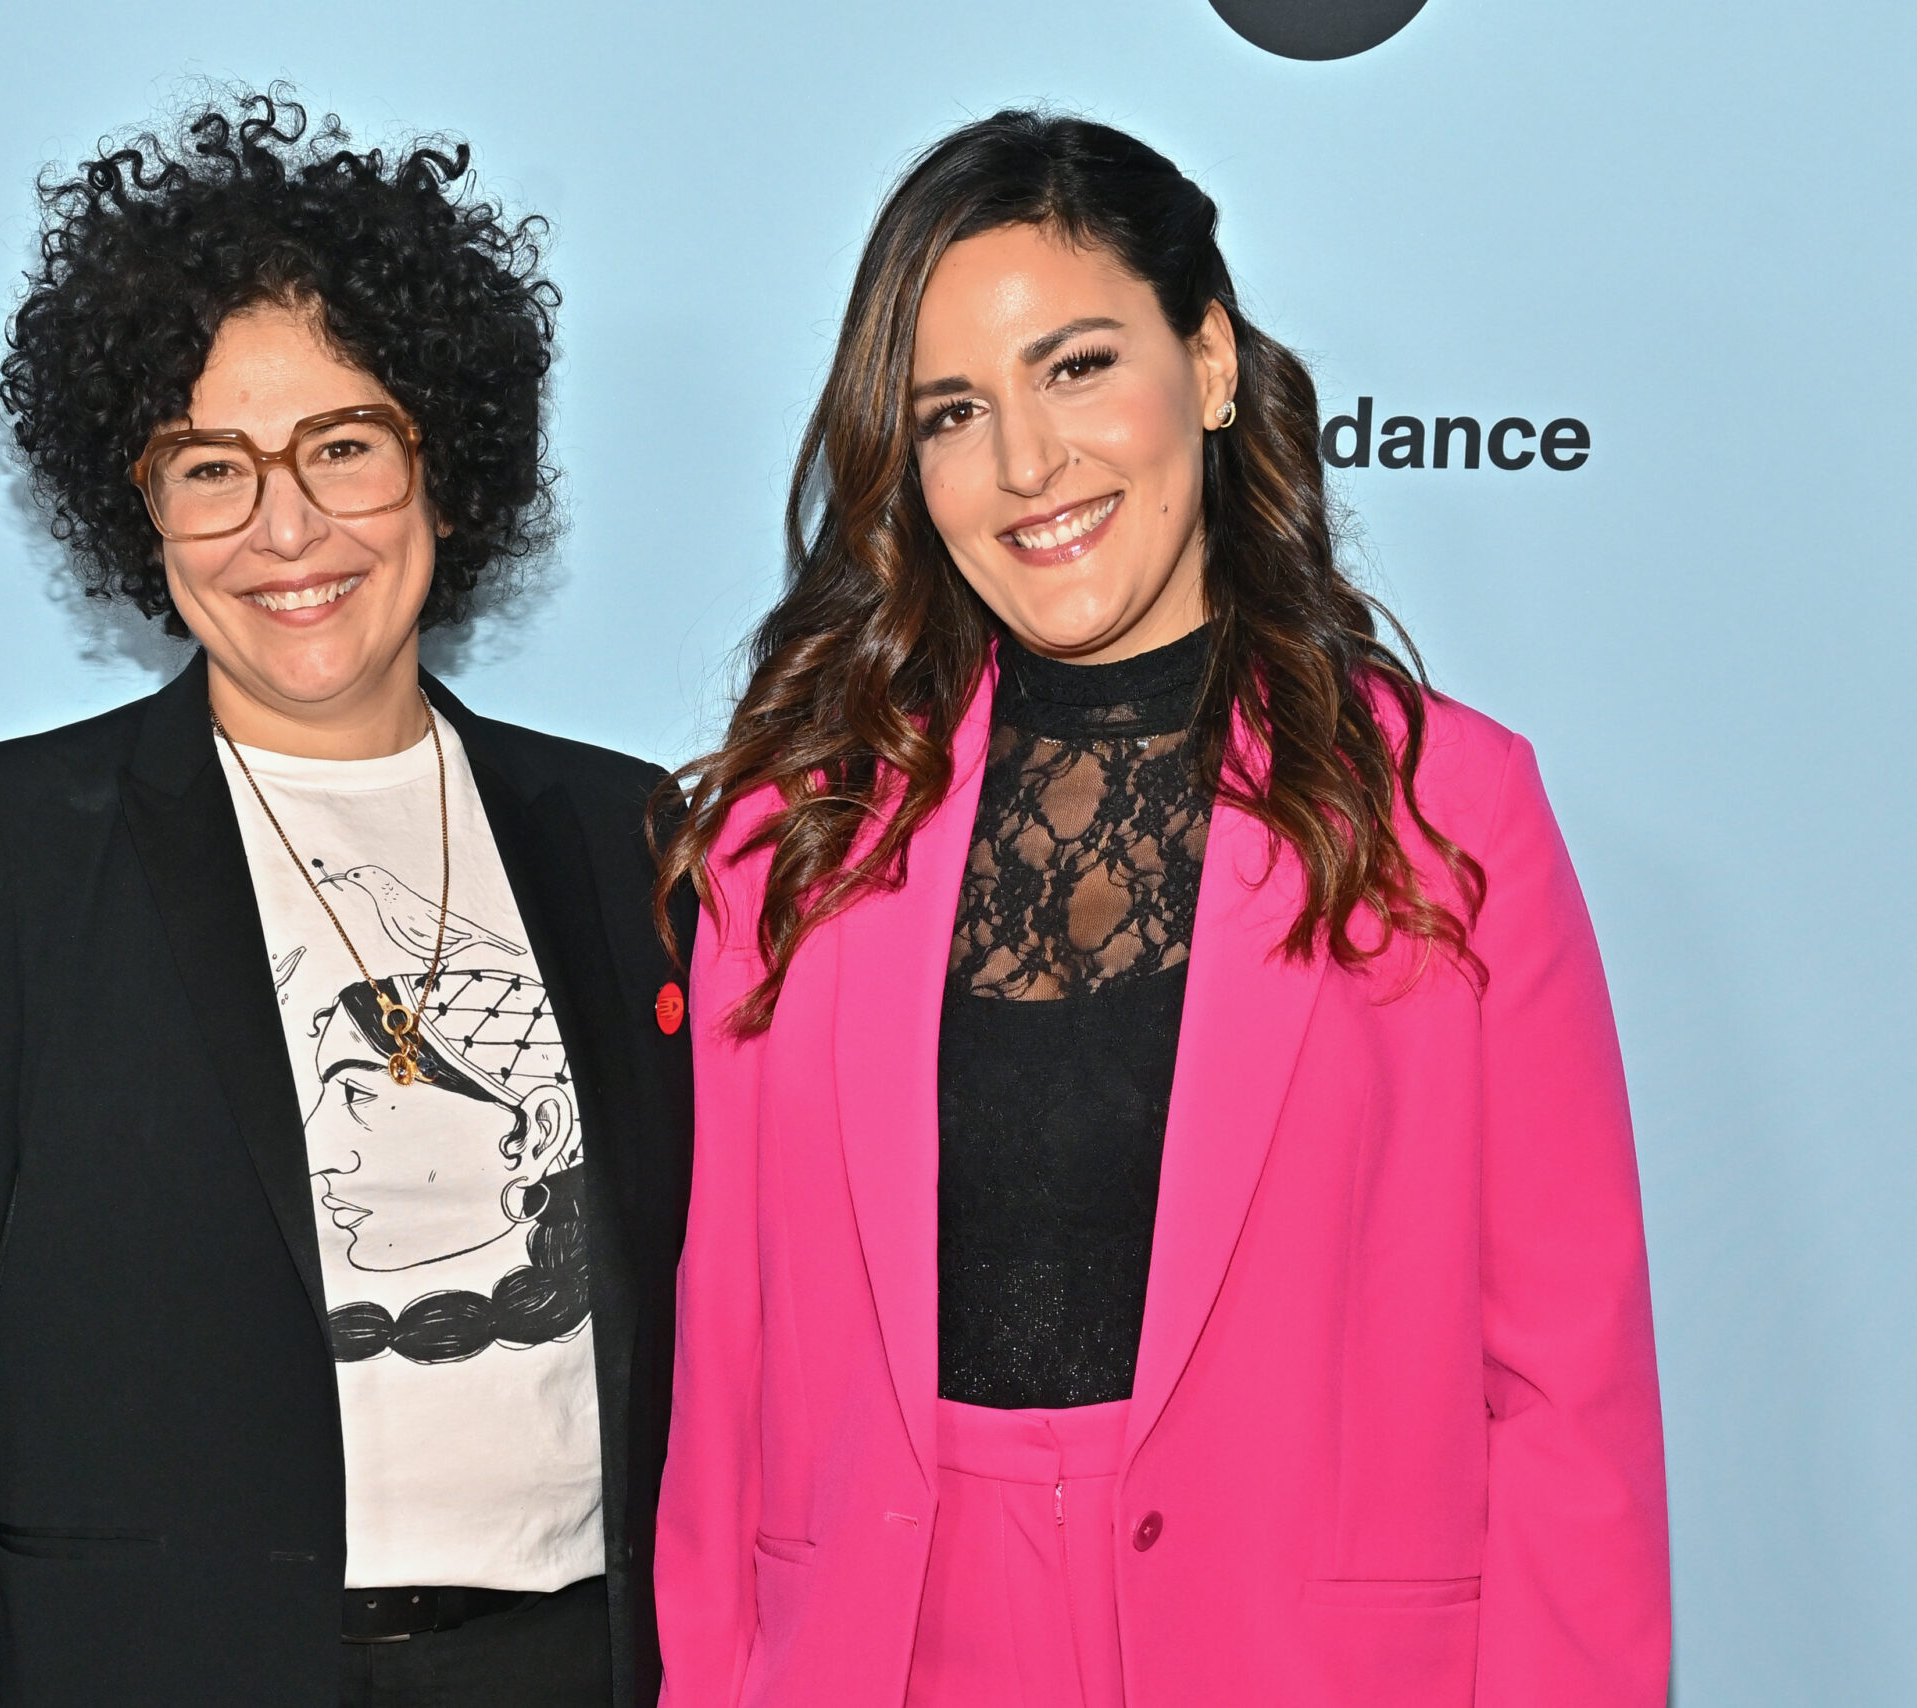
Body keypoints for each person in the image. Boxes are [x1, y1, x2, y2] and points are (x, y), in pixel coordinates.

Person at [650, 111, 1668, 1708]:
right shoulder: (795, 842)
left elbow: (1562, 1382)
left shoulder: (1444, 810)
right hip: (881, 1650)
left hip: (1301, 1658)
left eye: (1077, 368)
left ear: (1204, 365)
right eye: (954, 413)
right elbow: (729, 1381)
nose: (1026, 467)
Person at [0, 90, 694, 1708]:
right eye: (211, 465)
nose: (286, 527)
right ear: (139, 507)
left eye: (345, 445)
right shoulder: (4, 847)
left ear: (447, 460)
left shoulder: (629, 833)